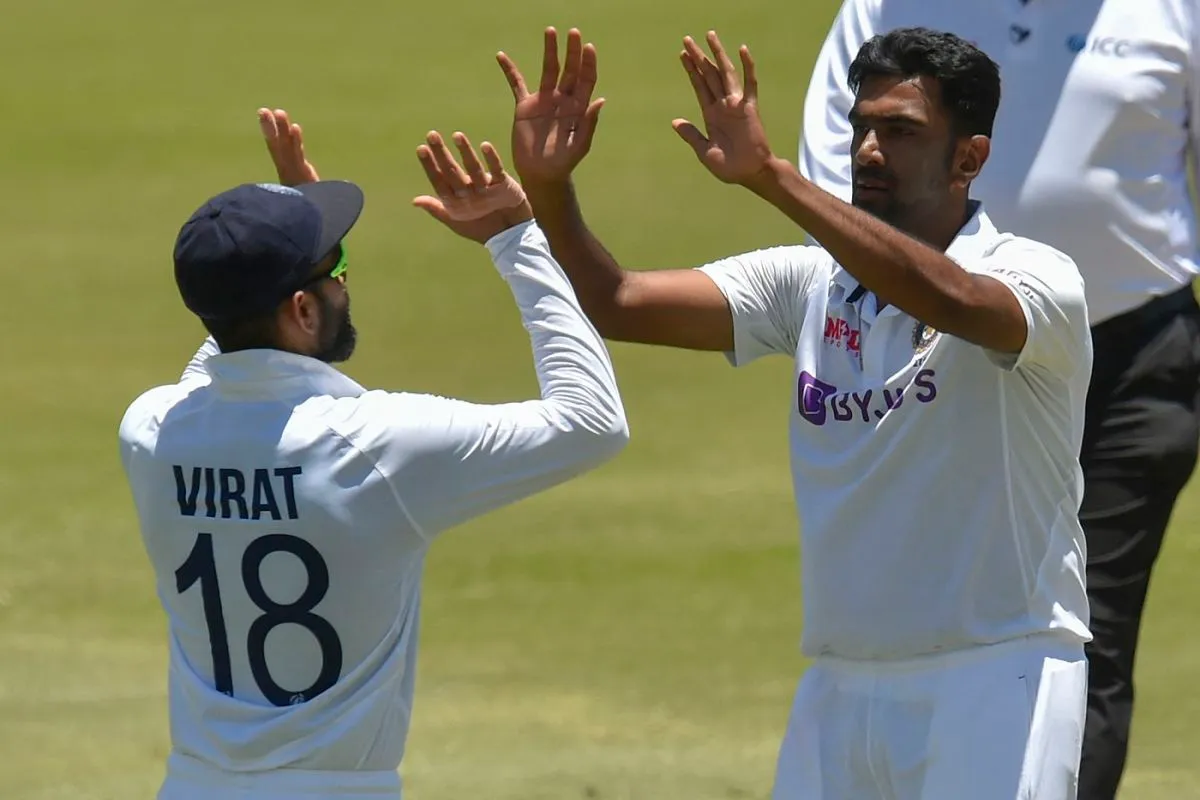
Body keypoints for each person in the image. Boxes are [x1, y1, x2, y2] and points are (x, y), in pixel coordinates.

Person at [495, 24, 1092, 798]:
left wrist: (772, 177)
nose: (870, 151)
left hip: (995, 674)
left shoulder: (1036, 278)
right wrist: (549, 190)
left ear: (969, 158)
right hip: (840, 686)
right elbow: (616, 301)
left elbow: (958, 300)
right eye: (862, 127)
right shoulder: (809, 283)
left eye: (902, 132)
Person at [116, 111, 629, 800]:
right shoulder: (378, 445)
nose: (346, 284)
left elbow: (228, 350)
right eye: (340, 269)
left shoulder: (150, 432)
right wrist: (516, 238)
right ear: (301, 310)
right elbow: (592, 420)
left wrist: (280, 236)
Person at [798, 4, 1200, 796]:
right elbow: (832, 192)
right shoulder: (884, 9)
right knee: (939, 617)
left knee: (1090, 634)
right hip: (933, 351)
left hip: (1133, 355)